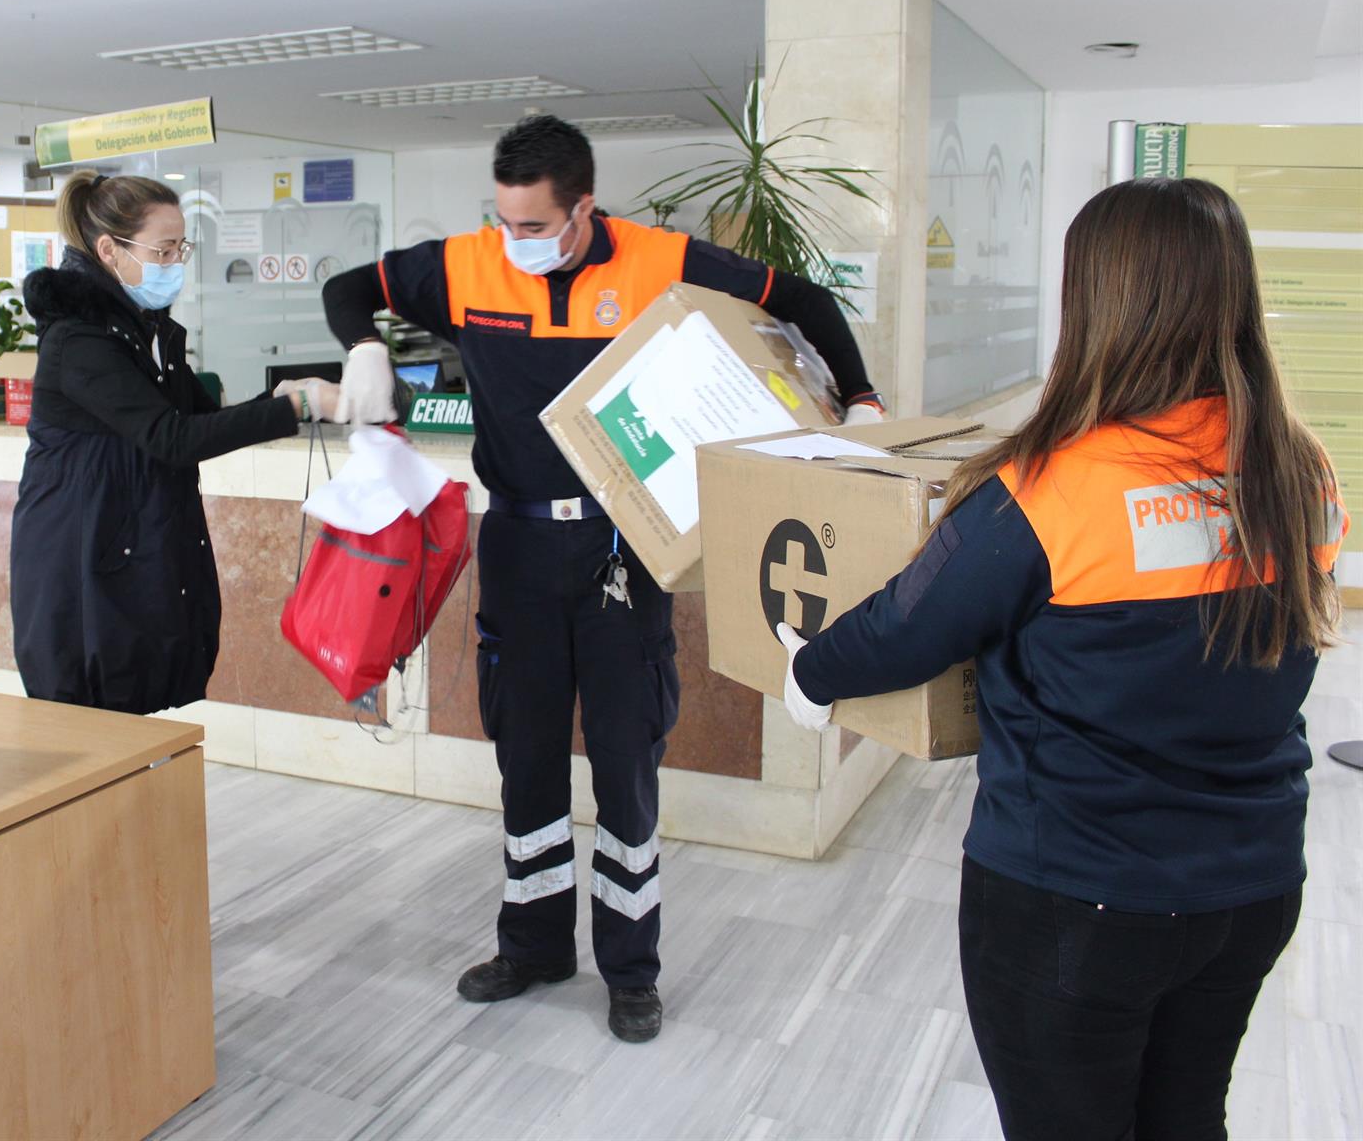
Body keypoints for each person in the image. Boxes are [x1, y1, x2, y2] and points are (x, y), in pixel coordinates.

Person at [777, 177, 1348, 1141]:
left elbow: (906, 630)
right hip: (1251, 885)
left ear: (1100, 303)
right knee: (1186, 1116)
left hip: (1079, 902)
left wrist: (808, 673)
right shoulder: (1300, 470)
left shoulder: (1050, 489)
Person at [321, 115, 884, 1043]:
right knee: (526, 758)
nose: (515, 240)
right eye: (503, 220)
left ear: (584, 207)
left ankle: (631, 970)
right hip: (516, 548)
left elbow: (807, 304)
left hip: (623, 554)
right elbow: (351, 288)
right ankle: (533, 947)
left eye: (535, 224)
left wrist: (859, 398)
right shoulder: (467, 267)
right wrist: (366, 347)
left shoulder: (662, 263)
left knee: (625, 760)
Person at [11, 171, 340, 715]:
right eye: (164, 250)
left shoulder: (147, 332)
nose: (175, 264)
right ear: (109, 250)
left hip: (135, 549)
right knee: (101, 733)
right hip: (83, 569)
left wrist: (278, 396)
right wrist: (296, 409)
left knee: (150, 724)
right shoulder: (79, 340)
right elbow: (171, 438)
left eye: (180, 249)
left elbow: (202, 419)